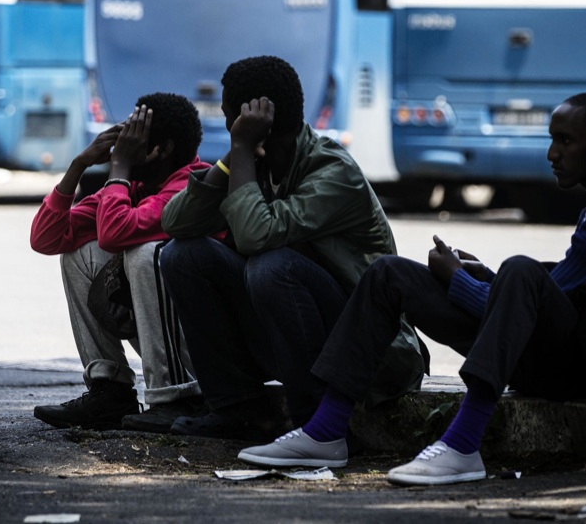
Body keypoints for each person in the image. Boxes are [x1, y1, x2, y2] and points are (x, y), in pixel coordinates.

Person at [238, 91, 586, 484]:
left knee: (520, 269)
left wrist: (458, 280)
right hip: (548, 350)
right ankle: (326, 431)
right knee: (388, 273)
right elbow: (558, 287)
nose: (552, 154)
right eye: (551, 140)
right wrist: (483, 276)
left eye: (565, 141)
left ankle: (463, 444)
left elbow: (546, 295)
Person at [159, 55, 426, 441]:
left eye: (229, 116)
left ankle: (316, 424)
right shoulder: (256, 165)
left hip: (373, 351)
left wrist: (243, 148)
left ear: (250, 121)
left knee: (271, 266)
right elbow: (176, 224)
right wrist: (233, 160)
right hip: (303, 334)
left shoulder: (334, 171)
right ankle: (239, 409)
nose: (226, 122)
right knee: (183, 256)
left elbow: (255, 236)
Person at [30, 93, 208, 433]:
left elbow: (114, 234)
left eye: (133, 140)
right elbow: (45, 239)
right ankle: (110, 391)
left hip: (207, 349)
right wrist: (79, 164)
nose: (121, 148)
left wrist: (119, 170)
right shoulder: (137, 187)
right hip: (173, 337)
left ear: (162, 149)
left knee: (144, 252)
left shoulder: (191, 186)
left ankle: (176, 398)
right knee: (80, 254)